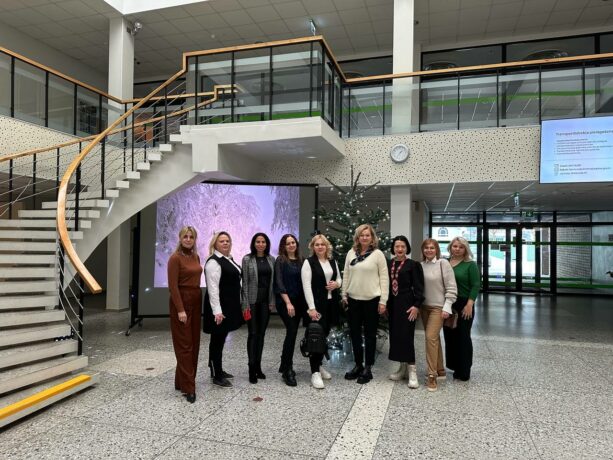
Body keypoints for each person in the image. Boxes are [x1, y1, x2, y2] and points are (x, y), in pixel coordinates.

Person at [342, 224, 389, 384]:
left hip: (372, 301)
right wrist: (344, 294)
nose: (364, 237)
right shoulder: (351, 253)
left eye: (367, 235)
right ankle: (358, 365)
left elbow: (384, 279)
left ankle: (368, 368)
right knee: (355, 335)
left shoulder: (377, 255)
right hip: (353, 300)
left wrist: (383, 301)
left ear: (372, 237)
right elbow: (346, 275)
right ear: (357, 237)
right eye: (361, 235)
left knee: (370, 336)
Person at [301, 234, 342, 389]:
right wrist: (311, 308)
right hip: (316, 306)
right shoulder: (308, 262)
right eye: (317, 244)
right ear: (313, 247)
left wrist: (336, 285)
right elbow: (306, 286)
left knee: (324, 336)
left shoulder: (332, 261)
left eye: (322, 244)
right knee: (315, 337)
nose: (320, 247)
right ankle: (315, 373)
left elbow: (339, 279)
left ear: (327, 246)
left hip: (331, 304)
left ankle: (318, 365)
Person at [203, 231, 243, 388]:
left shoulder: (228, 259)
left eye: (227, 241)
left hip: (228, 306)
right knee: (217, 341)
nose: (225, 243)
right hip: (219, 309)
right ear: (215, 244)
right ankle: (216, 375)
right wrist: (217, 312)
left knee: (220, 339)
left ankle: (217, 369)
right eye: (222, 241)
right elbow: (212, 289)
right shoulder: (213, 262)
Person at [167, 226, 202, 403]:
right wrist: (180, 309)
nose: (188, 239)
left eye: (191, 237)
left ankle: (181, 381)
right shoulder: (175, 258)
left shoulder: (195, 256)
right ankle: (189, 388)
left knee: (194, 343)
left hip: (196, 300)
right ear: (180, 238)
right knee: (185, 345)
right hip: (181, 301)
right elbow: (173, 287)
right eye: (185, 237)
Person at [386, 235, 425, 389]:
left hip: (407, 304)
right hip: (392, 305)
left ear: (407, 248)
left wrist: (416, 306)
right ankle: (402, 369)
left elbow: (419, 287)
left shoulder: (413, 265)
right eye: (397, 246)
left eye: (403, 246)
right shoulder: (388, 264)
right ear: (393, 248)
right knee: (396, 336)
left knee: (407, 337)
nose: (400, 249)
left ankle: (412, 371)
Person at [420, 238, 457, 392]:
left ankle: (432, 375)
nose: (429, 250)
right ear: (422, 250)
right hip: (424, 308)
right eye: (426, 248)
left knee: (430, 337)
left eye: (432, 248)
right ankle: (440, 369)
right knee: (434, 339)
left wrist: (447, 307)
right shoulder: (420, 266)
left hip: (438, 308)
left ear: (437, 250)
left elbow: (451, 287)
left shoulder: (443, 264)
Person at [241, 232, 275, 384]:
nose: (261, 244)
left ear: (267, 244)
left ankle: (258, 367)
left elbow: (273, 283)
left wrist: (272, 301)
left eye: (263, 242)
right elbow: (244, 283)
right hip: (252, 302)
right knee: (253, 334)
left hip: (265, 302)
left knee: (261, 334)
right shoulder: (247, 259)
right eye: (258, 242)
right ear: (253, 244)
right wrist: (245, 304)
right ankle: (251, 368)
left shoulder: (271, 259)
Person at [445, 236, 480, 381]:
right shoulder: (445, 262)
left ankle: (464, 370)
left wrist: (469, 304)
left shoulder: (470, 264)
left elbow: (476, 285)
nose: (457, 249)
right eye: (455, 246)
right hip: (448, 303)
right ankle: (454, 367)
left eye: (461, 247)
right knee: (450, 336)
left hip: (464, 304)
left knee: (463, 337)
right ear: (450, 247)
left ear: (465, 249)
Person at [274, 234, 307, 387]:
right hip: (286, 302)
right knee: (292, 331)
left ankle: (284, 364)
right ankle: (288, 370)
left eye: (293, 242)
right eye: (288, 243)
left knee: (292, 332)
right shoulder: (280, 260)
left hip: (300, 302)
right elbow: (279, 283)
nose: (291, 245)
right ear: (284, 246)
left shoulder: (302, 260)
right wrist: (288, 303)